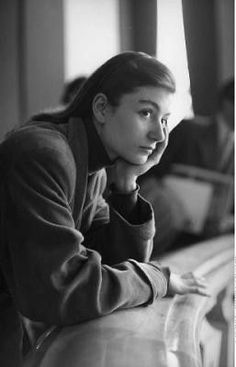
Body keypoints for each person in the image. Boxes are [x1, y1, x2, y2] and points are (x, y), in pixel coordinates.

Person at [0, 51, 209, 366]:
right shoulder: (45, 154)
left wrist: (127, 184)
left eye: (164, 119)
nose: (160, 135)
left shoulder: (93, 167)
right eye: (146, 113)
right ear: (101, 108)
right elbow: (64, 289)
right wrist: (157, 279)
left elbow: (117, 264)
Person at [139, 79, 234, 254]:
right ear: (228, 103)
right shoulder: (188, 129)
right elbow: (150, 171)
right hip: (167, 231)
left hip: (206, 240)